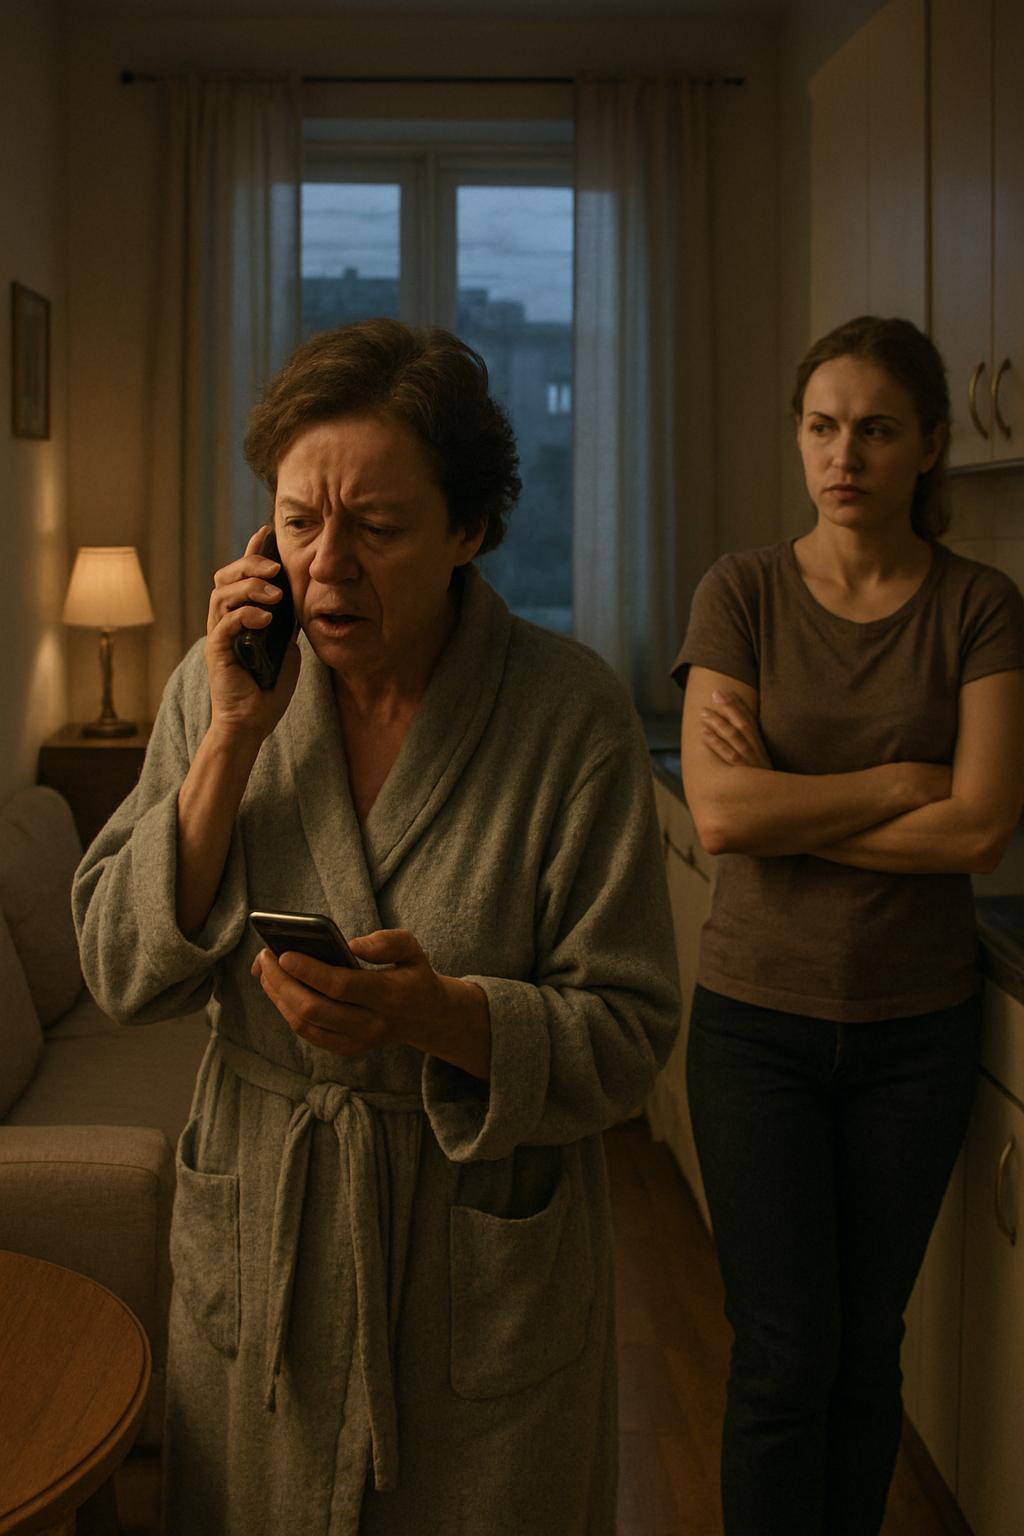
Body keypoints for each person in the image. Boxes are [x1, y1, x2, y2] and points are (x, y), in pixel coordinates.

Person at [72, 319, 680, 1536]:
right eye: (298, 522)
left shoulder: (568, 717)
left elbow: (627, 1036)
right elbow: (118, 970)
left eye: (379, 528)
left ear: (468, 530)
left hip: (474, 1281)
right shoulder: (215, 688)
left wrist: (446, 1019)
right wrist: (232, 739)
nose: (327, 566)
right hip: (266, 1236)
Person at [674, 315, 1024, 1536]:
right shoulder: (742, 592)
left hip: (914, 1033)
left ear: (929, 443)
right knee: (782, 1354)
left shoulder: (980, 605)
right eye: (822, 427)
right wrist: (897, 782)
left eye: (875, 429)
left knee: (867, 1346)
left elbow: (978, 831)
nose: (843, 455)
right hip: (753, 1029)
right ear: (798, 437)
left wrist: (791, 800)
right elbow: (721, 815)